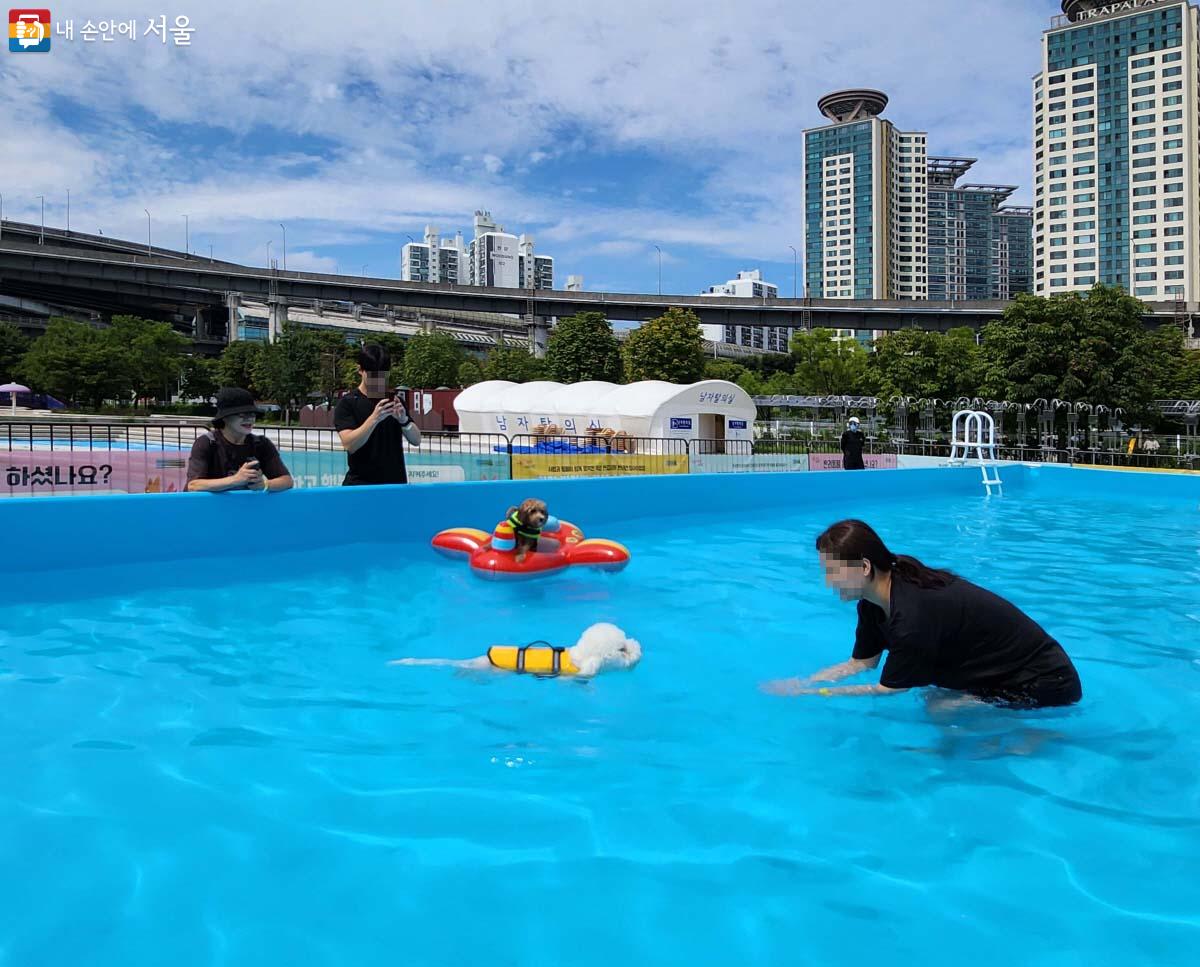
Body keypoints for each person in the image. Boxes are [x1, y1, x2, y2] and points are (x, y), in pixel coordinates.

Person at [762, 519, 1082, 709]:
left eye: (832, 572)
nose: (827, 582)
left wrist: (812, 695)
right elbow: (862, 663)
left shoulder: (911, 616)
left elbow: (888, 690)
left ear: (863, 568)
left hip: (1044, 681)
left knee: (939, 708)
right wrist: (805, 682)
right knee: (937, 702)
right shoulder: (872, 603)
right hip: (1002, 673)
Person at [334, 343, 422, 485]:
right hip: (361, 485)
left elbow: (416, 440)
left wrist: (404, 420)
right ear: (360, 370)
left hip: (394, 485)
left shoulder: (393, 400)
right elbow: (349, 444)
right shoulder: (348, 402)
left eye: (381, 376)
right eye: (372, 375)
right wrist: (374, 419)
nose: (377, 381)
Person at [185, 387, 293, 493]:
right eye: (241, 414)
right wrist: (236, 480)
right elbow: (193, 485)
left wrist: (264, 484)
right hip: (207, 508)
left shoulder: (261, 444)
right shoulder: (207, 443)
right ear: (225, 417)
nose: (249, 419)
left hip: (242, 508)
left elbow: (287, 481)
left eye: (252, 414)